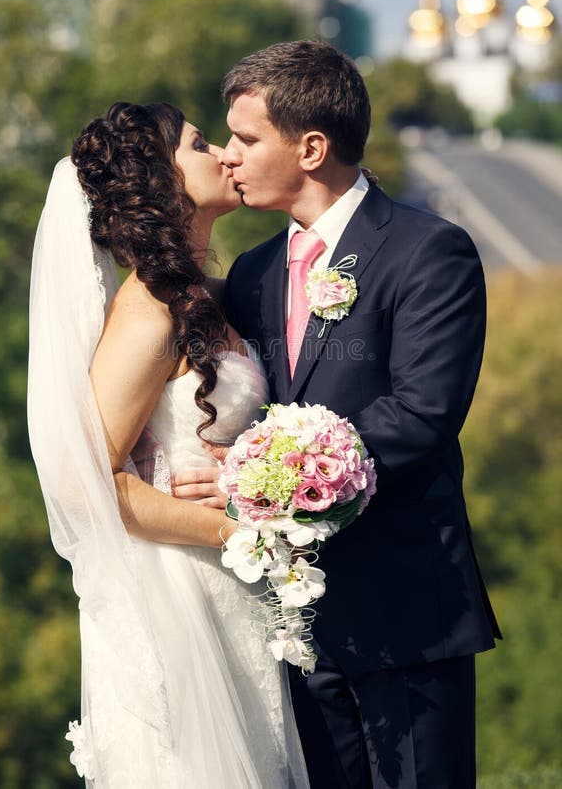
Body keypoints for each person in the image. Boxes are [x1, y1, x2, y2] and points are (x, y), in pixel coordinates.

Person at [214, 39, 501, 788]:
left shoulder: (428, 251)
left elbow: (423, 412)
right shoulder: (252, 273)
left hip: (407, 607)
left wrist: (276, 475)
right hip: (295, 619)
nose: (228, 156)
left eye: (246, 139)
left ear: (311, 147)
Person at [27, 101, 309, 788]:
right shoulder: (149, 311)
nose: (225, 155)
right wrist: (236, 529)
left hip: (232, 587)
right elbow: (83, 485)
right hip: (179, 588)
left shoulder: (208, 294)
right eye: (200, 144)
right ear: (161, 181)